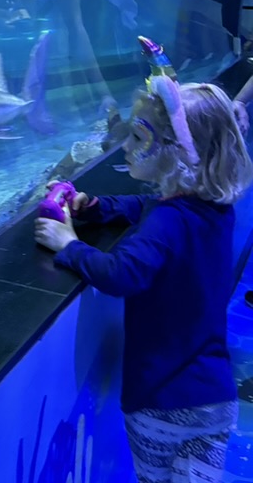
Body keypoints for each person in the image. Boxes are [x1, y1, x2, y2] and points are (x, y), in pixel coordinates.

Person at [34, 40, 253, 483]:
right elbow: (146, 206)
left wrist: (69, 243)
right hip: (214, 396)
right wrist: (95, 206)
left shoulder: (168, 222)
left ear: (175, 151)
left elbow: (122, 274)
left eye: (138, 137)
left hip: (162, 402)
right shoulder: (210, 207)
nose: (126, 146)